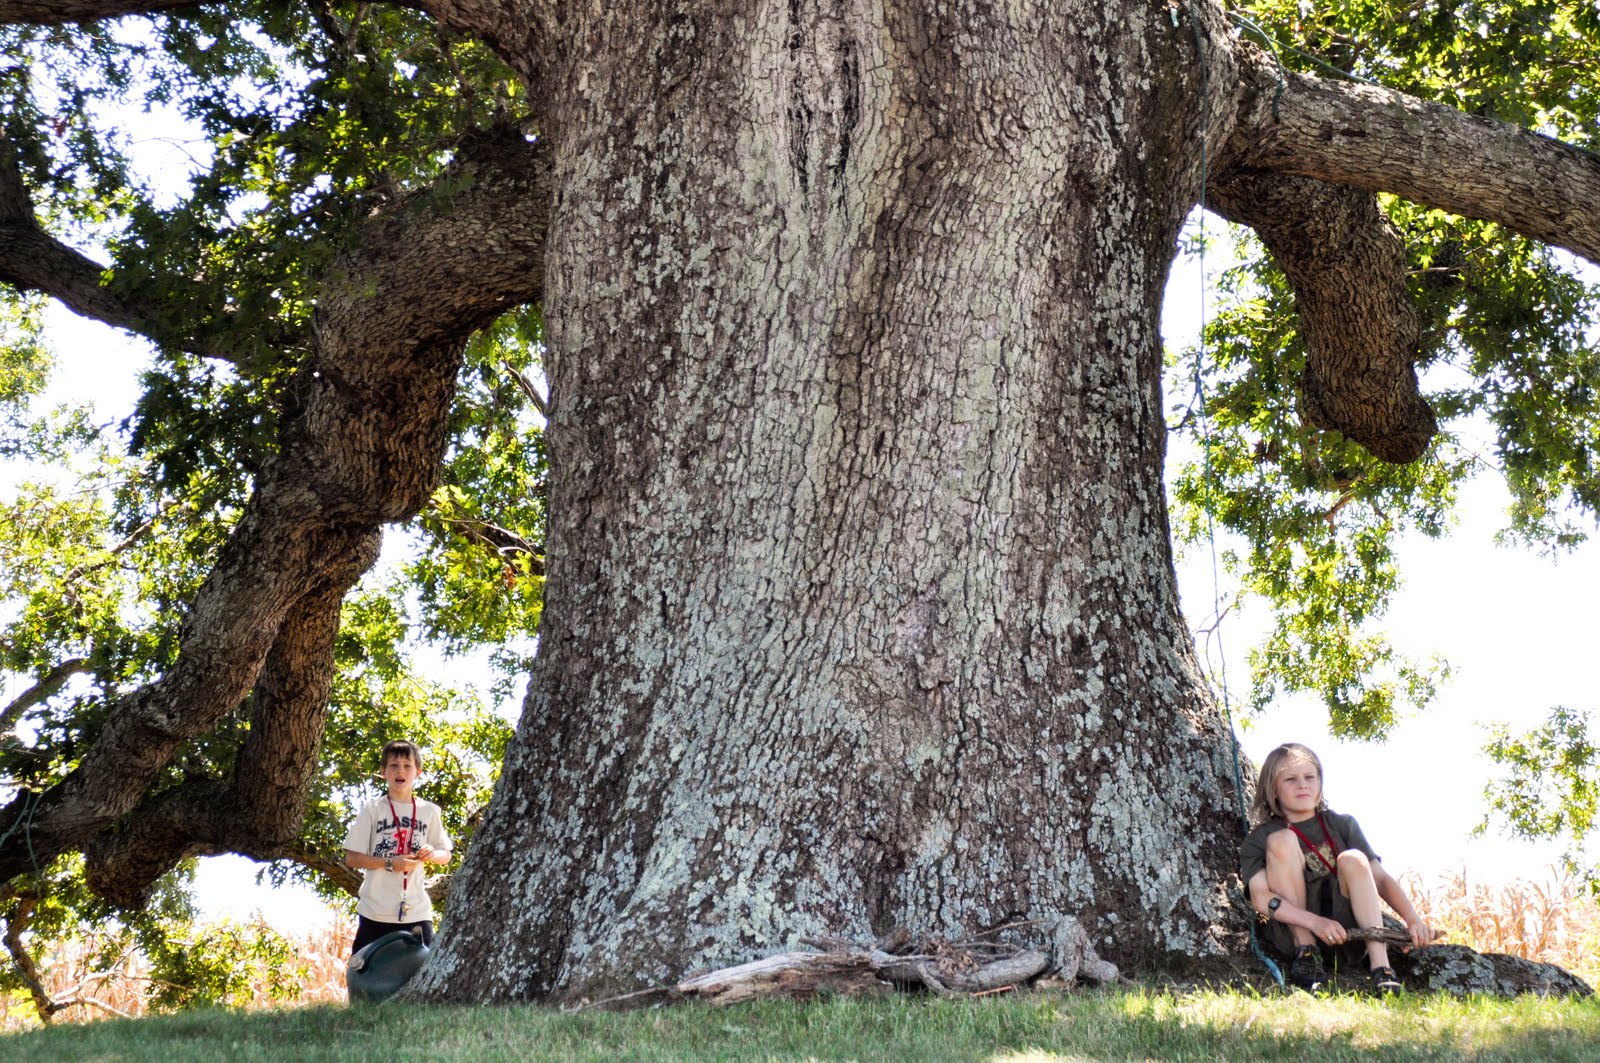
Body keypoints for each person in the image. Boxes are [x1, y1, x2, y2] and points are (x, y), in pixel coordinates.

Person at [1239, 742, 1433, 994]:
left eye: (1310, 777)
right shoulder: (1260, 838)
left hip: (1348, 936)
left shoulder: (1342, 825)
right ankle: (1307, 953)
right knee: (1281, 840)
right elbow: (1261, 899)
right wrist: (1315, 923)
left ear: (1320, 782)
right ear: (1272, 789)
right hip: (1294, 936)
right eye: (1290, 779)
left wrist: (1413, 920)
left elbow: (1381, 879)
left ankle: (1381, 967)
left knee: (1353, 858)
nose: (1302, 784)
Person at [342, 739, 454, 955]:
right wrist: (391, 863)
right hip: (375, 913)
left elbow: (445, 854)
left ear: (418, 772)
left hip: (417, 915)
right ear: (383, 772)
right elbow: (352, 858)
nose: (400, 771)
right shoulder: (372, 810)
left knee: (421, 979)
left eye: (407, 766)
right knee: (365, 980)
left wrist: (432, 853)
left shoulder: (429, 811)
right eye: (394, 765)